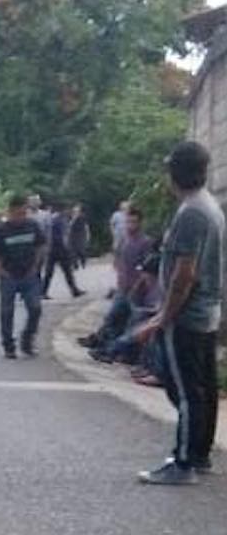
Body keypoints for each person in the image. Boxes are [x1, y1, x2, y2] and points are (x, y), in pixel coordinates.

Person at [135, 141, 224, 485]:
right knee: (202, 388)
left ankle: (184, 463)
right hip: (207, 311)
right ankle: (199, 455)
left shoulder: (191, 214)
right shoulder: (210, 207)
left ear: (176, 173)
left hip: (187, 315)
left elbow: (184, 273)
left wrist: (163, 317)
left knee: (185, 391)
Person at [79, 206, 152, 350]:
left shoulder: (145, 242)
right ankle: (102, 342)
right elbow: (119, 258)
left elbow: (146, 269)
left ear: (140, 223)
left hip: (137, 290)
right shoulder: (125, 239)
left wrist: (137, 287)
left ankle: (113, 348)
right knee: (112, 317)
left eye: (134, 222)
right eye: (128, 222)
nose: (131, 225)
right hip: (122, 287)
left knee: (130, 322)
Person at [0, 194, 47, 359]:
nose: (20, 217)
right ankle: (8, 345)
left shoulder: (32, 226)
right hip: (9, 275)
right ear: (10, 212)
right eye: (17, 213)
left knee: (35, 308)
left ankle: (27, 339)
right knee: (7, 311)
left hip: (29, 274)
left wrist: (36, 266)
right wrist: (0, 270)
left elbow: (41, 245)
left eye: (23, 213)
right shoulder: (2, 230)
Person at [42, 203, 84, 299]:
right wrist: (67, 248)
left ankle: (43, 291)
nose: (69, 212)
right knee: (66, 271)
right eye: (68, 210)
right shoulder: (60, 219)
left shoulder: (54, 218)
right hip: (59, 249)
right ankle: (74, 290)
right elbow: (63, 235)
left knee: (51, 272)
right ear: (64, 210)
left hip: (53, 249)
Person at [68, 204, 90, 270]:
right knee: (72, 251)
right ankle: (75, 265)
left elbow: (86, 226)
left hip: (81, 235)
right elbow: (69, 226)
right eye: (74, 210)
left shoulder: (83, 217)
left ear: (79, 211)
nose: (75, 212)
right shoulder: (71, 217)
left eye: (77, 210)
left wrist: (88, 235)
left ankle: (83, 262)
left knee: (81, 250)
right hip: (73, 235)